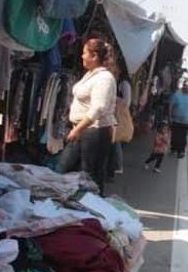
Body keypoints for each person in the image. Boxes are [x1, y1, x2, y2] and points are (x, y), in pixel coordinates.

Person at [56, 37, 117, 194]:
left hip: (94, 132)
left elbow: (98, 108)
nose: (82, 56)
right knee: (64, 169)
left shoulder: (104, 78)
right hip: (84, 130)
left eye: (84, 53)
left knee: (88, 175)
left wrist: (77, 130)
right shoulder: (91, 75)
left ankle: (93, 208)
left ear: (94, 56)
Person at [107, 67, 132, 178]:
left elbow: (126, 102)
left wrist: (114, 98)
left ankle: (116, 167)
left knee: (115, 142)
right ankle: (113, 168)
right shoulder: (121, 83)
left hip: (118, 116)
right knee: (113, 143)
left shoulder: (124, 84)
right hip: (114, 115)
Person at [169, 79, 188, 158]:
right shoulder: (177, 94)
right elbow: (170, 106)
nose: (186, 87)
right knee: (175, 136)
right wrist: (169, 117)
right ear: (183, 86)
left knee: (182, 136)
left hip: (186, 121)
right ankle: (174, 147)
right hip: (176, 120)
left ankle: (181, 151)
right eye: (185, 85)